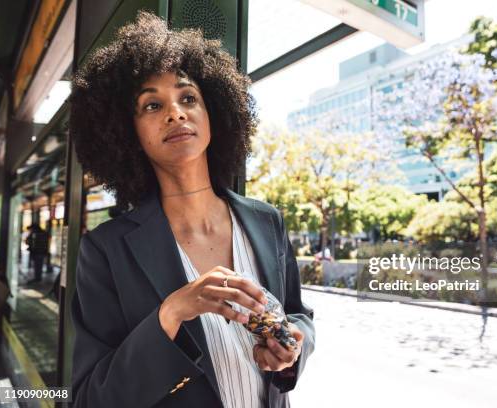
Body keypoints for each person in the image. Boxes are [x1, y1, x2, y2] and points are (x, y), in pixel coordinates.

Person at [68, 11, 315, 408]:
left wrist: (291, 349)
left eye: (188, 98)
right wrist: (170, 315)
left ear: (213, 112)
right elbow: (89, 398)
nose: (176, 113)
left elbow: (298, 316)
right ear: (125, 131)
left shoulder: (266, 221)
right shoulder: (105, 251)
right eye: (152, 105)